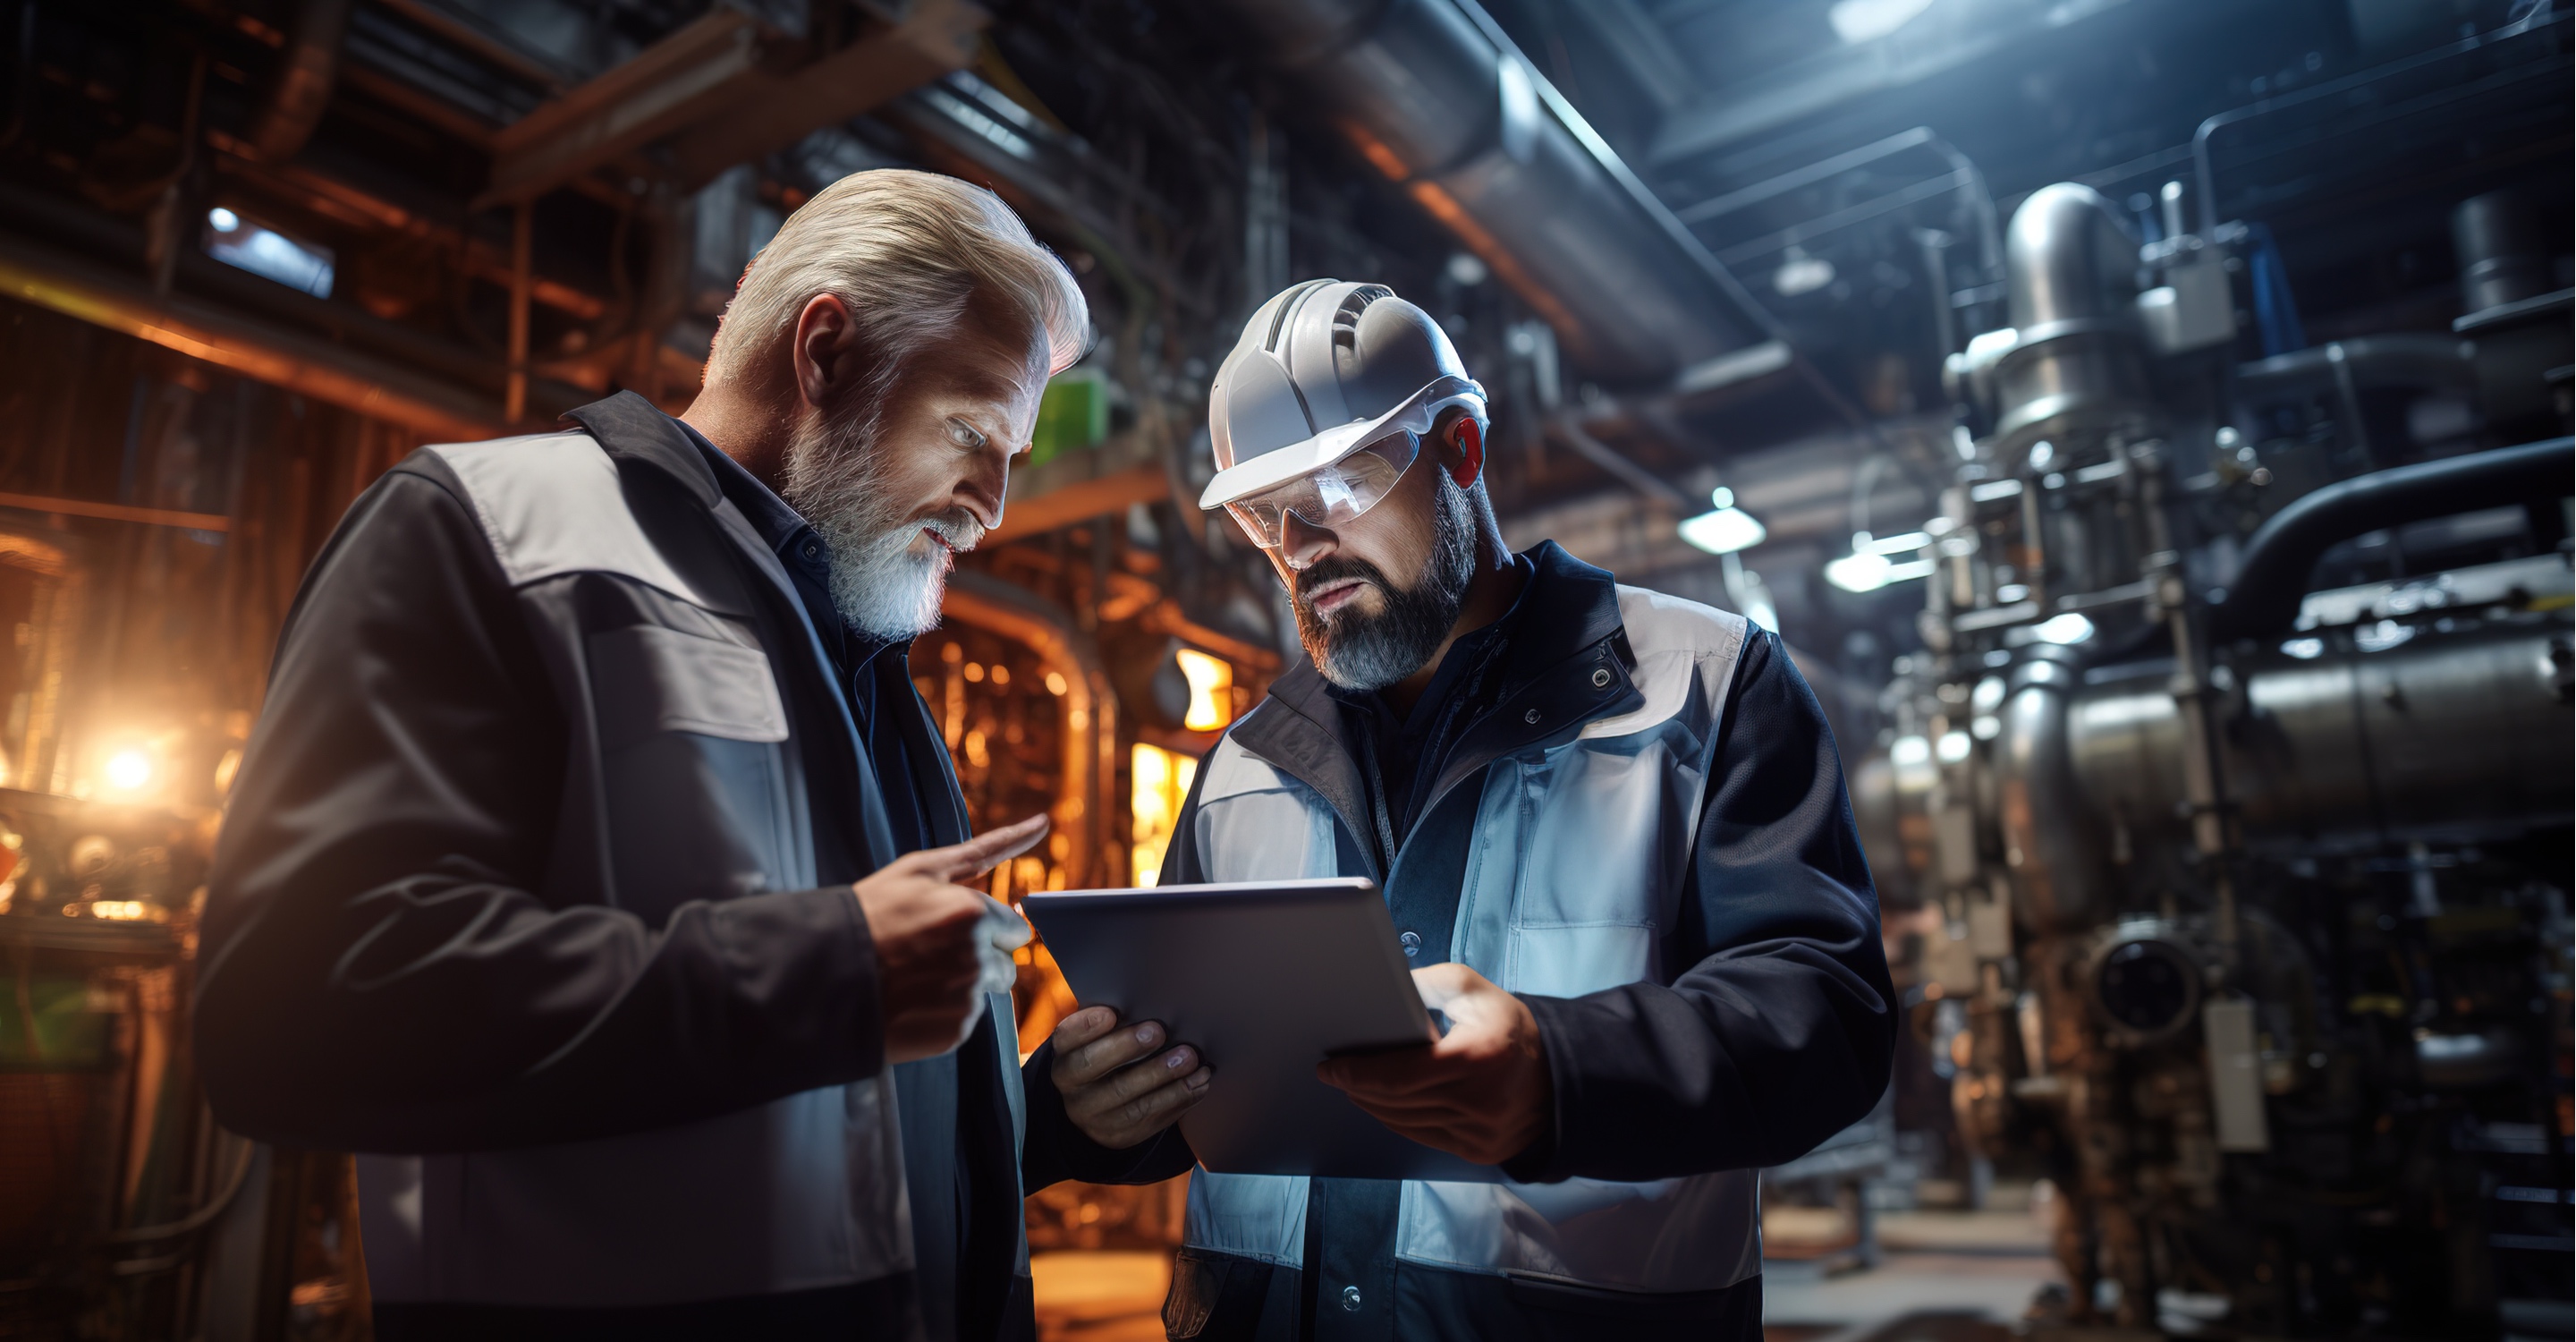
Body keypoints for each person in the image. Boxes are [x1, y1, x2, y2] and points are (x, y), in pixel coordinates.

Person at [193, 170, 1090, 1341]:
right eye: (975, 433)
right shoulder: (490, 533)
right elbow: (292, 1009)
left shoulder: (862, 652)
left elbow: (846, 1143)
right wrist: (815, 974)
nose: (993, 505)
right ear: (824, 352)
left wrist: (1045, 1118)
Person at [1018, 281, 1897, 1340]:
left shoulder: (1706, 687)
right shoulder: (1244, 763)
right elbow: (1206, 1073)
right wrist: (1089, 1108)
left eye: (1340, 482)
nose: (1300, 544)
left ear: (1462, 450)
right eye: (1265, 514)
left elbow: (1827, 1015)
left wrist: (1559, 1074)